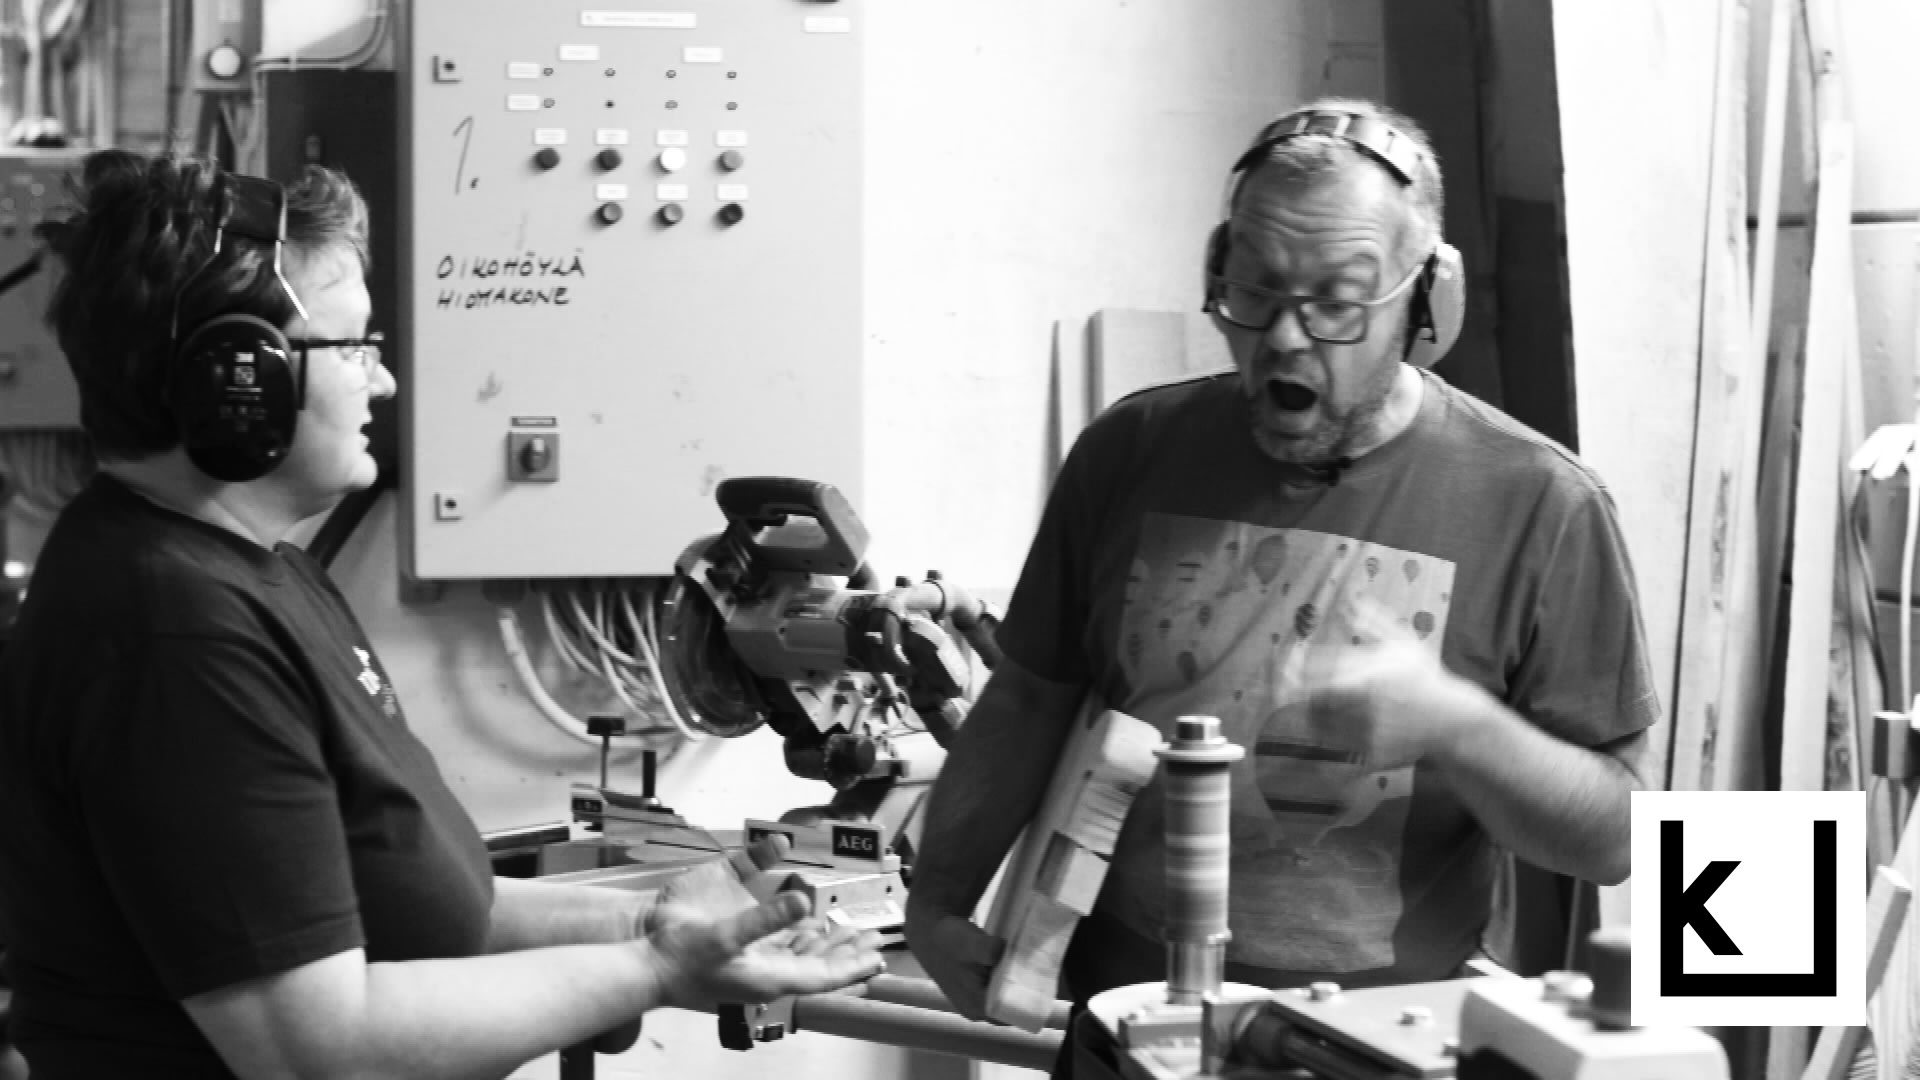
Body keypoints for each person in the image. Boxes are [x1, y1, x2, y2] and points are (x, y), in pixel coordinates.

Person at [0, 149, 884, 1079]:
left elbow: (428, 907)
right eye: (353, 347)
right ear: (238, 381)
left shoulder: (258, 570)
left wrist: (648, 923)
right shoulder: (173, 637)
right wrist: (655, 970)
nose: (382, 382)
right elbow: (316, 1050)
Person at [906, 98, 1658, 1065]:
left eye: (1338, 301)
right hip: (1129, 1030)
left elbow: (1614, 839)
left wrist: (1460, 728)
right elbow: (1029, 700)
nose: (1287, 338)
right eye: (1255, 290)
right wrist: (938, 897)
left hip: (1380, 1050)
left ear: (1426, 303)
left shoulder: (1544, 507)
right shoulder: (1128, 453)